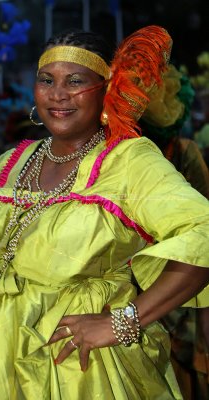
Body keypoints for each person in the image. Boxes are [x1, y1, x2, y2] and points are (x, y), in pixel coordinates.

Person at [0, 25, 209, 400]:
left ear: (106, 89)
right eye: (46, 80)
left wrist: (123, 321)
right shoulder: (11, 162)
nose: (58, 94)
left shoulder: (129, 161)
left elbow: (203, 232)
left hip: (79, 373)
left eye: (76, 81)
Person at [140, 64, 209, 399]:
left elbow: (204, 227)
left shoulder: (183, 153)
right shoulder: (112, 157)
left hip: (182, 279)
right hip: (130, 283)